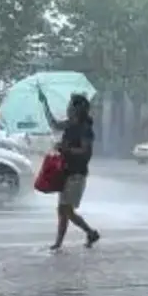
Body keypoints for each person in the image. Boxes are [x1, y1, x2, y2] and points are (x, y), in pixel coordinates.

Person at [38, 90, 100, 251]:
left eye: (71, 106)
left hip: (77, 174)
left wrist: (66, 149)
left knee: (66, 210)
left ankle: (90, 232)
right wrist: (44, 103)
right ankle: (59, 243)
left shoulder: (85, 129)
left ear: (78, 109)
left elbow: (86, 152)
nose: (68, 108)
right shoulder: (70, 125)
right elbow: (54, 124)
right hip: (65, 172)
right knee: (63, 210)